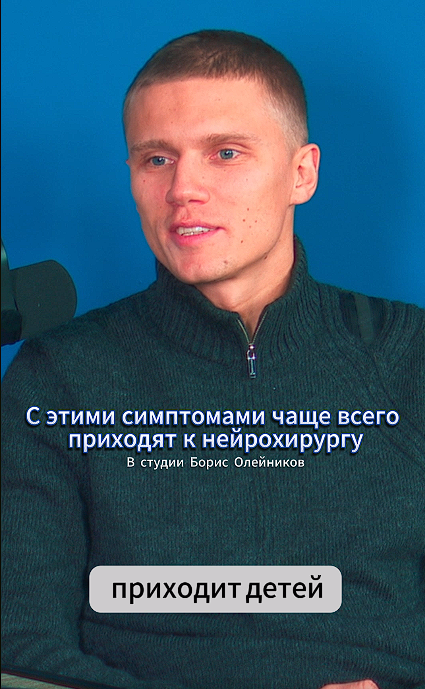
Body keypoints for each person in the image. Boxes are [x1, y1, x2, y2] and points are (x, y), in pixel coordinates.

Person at [2, 30, 424, 689]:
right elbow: (19, 646)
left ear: (301, 173)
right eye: (156, 159)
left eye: (224, 153)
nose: (183, 189)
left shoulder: (409, 356)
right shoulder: (57, 377)